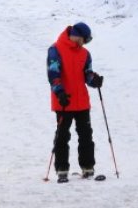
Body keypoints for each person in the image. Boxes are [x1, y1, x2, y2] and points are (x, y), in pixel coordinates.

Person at [47, 22, 104, 182]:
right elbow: (53, 74)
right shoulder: (55, 49)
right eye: (83, 40)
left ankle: (88, 167)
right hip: (64, 101)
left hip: (82, 102)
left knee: (86, 135)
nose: (84, 43)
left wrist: (95, 80)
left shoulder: (85, 54)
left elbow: (87, 74)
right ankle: (62, 169)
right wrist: (59, 92)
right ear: (77, 35)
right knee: (62, 135)